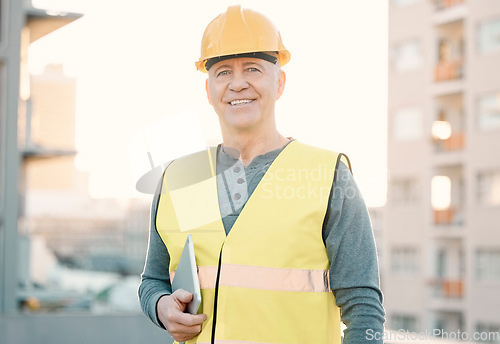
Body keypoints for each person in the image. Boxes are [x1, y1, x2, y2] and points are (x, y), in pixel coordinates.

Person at [138, 5, 385, 344]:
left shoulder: (327, 176)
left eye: (252, 68)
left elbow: (363, 309)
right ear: (208, 90)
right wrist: (161, 307)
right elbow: (152, 281)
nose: (237, 84)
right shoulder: (181, 178)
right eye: (223, 72)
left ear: (279, 82)